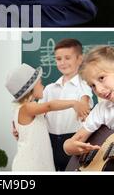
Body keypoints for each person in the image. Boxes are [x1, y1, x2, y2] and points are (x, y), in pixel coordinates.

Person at [6, 63, 88, 171]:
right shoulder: (28, 108)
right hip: (30, 165)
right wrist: (73, 103)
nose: (43, 86)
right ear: (31, 89)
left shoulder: (29, 110)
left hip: (38, 163)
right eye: (40, 83)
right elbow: (49, 106)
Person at [40, 38, 93, 171]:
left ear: (80, 59)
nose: (62, 63)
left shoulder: (85, 85)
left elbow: (84, 100)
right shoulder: (49, 89)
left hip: (73, 139)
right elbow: (38, 112)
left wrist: (83, 103)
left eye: (67, 58)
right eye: (58, 59)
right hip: (49, 141)